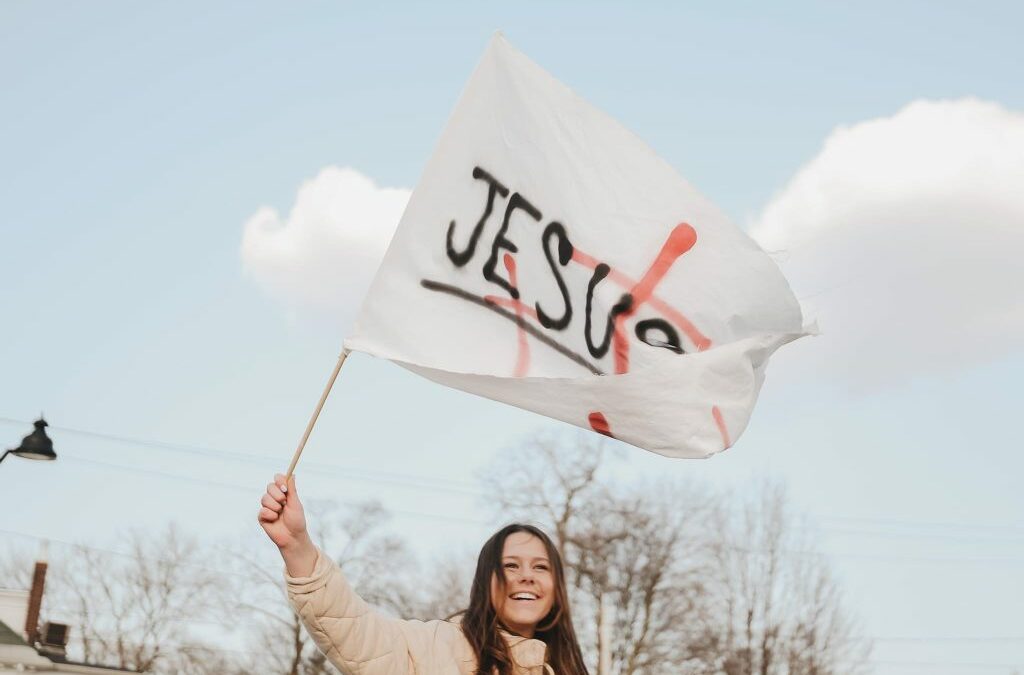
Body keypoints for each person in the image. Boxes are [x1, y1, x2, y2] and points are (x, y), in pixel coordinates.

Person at [259, 473, 591, 675]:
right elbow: (358, 634)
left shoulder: (566, 668)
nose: (527, 576)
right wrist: (298, 547)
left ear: (557, 587)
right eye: (511, 565)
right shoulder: (439, 649)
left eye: (541, 567)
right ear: (485, 582)